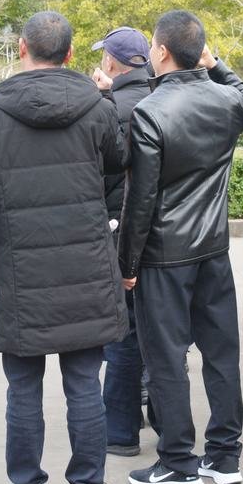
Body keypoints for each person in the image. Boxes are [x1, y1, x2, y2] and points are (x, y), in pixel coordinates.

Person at [0, 11, 127, 484]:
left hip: (19, 273)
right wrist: (108, 225)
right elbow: (120, 176)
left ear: (21, 48)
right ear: (70, 54)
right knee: (85, 385)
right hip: (86, 268)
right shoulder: (99, 109)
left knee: (23, 387)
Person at [118, 10, 243, 484]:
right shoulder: (226, 100)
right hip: (213, 248)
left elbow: (140, 199)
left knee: (165, 358)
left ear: (160, 51)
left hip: (165, 253)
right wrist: (215, 65)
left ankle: (178, 461)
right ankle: (224, 455)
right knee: (221, 354)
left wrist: (127, 263)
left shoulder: (150, 112)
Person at [90, 27, 152, 457]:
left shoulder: (109, 111)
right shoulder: (161, 98)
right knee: (159, 332)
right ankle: (164, 419)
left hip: (120, 231)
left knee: (123, 334)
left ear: (111, 62)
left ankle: (120, 429)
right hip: (165, 237)